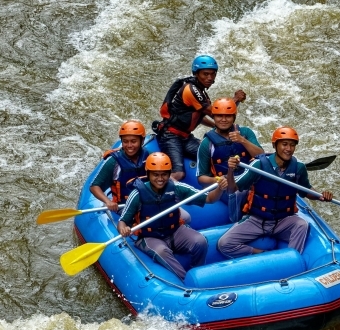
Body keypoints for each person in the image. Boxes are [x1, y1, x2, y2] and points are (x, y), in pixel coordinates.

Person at [217, 127, 333, 259]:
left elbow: (306, 190)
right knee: (224, 243)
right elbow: (233, 189)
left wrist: (320, 196)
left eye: (292, 145)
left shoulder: (299, 168)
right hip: (257, 220)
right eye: (284, 144)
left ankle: (290, 260)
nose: (288, 149)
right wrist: (231, 171)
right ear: (274, 145)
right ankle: (261, 254)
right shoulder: (258, 165)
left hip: (283, 220)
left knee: (302, 225)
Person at [118, 152, 227, 281]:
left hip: (174, 231)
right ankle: (185, 280)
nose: (160, 178)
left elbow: (209, 198)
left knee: (200, 241)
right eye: (155, 175)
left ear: (169, 173)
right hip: (149, 236)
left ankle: (196, 273)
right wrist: (123, 229)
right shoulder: (137, 194)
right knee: (161, 251)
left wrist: (220, 189)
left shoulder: (176, 188)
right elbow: (122, 221)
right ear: (148, 173)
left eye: (164, 174)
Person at [154, 55, 246, 181]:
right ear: (196, 74)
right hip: (170, 136)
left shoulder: (201, 91)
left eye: (213, 74)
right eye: (205, 74)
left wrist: (215, 125)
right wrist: (235, 100)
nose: (210, 78)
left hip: (185, 138)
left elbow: (199, 116)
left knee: (211, 155)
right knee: (179, 174)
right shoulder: (191, 90)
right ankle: (158, 194)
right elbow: (215, 113)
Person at [196, 98, 263, 193]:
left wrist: (243, 141)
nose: (223, 120)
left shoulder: (245, 132)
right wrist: (218, 180)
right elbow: (201, 178)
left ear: (234, 117)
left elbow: (261, 157)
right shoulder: (207, 143)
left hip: (249, 180)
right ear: (213, 117)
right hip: (226, 186)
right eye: (219, 116)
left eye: (228, 116)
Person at [90, 120, 149, 212]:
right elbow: (94, 187)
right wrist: (108, 201)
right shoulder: (114, 162)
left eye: (133, 141)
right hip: (124, 206)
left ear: (142, 141)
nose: (129, 145)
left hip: (148, 201)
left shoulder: (148, 156)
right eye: (125, 141)